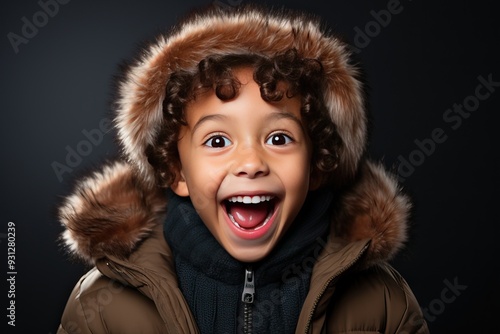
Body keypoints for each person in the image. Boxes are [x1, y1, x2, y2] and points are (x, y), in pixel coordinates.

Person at [56, 3, 429, 333]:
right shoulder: (101, 308)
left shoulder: (382, 301)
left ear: (316, 166)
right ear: (177, 172)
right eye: (217, 141)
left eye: (279, 138)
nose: (251, 163)